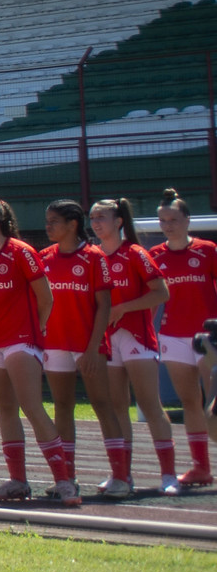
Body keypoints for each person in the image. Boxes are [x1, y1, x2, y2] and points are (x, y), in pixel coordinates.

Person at [0, 193, 77, 505]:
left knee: (32, 406)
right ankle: (18, 481)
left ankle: (64, 480)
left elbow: (46, 297)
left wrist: (36, 329)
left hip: (21, 340)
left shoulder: (20, 252)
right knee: (5, 410)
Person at [93, 196, 177, 492]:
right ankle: (122, 474)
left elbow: (161, 293)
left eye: (101, 217)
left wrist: (123, 308)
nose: (96, 223)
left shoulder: (135, 253)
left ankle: (168, 475)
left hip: (137, 337)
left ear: (118, 221)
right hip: (108, 339)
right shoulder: (93, 255)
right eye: (92, 218)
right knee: (117, 407)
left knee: (149, 404)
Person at [39, 198, 121, 495]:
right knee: (62, 406)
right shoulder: (44, 257)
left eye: (53, 222)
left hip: (88, 345)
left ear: (72, 224)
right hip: (55, 343)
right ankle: (66, 476)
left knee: (102, 404)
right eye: (47, 221)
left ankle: (121, 477)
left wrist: (93, 347)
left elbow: (104, 306)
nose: (47, 227)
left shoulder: (94, 257)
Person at [150, 188, 216, 487]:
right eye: (163, 220)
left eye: (173, 219)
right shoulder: (155, 256)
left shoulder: (207, 250)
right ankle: (201, 467)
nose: (167, 225)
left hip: (207, 336)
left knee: (213, 402)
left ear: (187, 219)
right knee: (190, 401)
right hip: (172, 335)